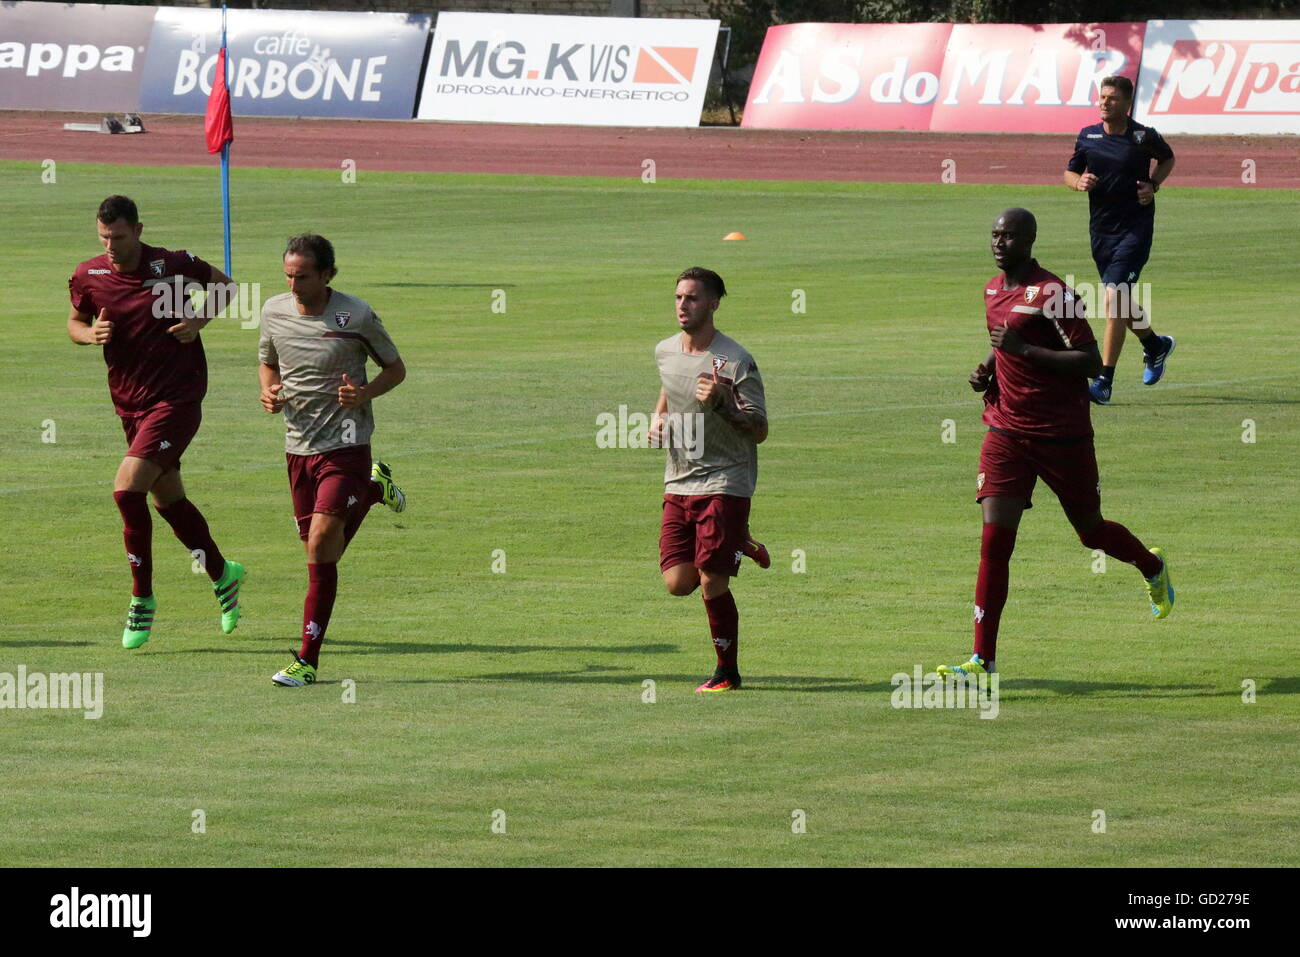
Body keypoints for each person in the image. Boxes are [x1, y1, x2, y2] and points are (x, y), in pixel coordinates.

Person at [938, 209, 1174, 679]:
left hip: (1062, 434)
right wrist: (988, 364)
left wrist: (1023, 352)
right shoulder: (991, 288)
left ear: (1029, 240)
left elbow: (1090, 361)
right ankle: (982, 660)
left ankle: (1151, 565)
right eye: (995, 234)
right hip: (1005, 431)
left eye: (1009, 235)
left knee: (1090, 531)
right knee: (993, 543)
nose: (999, 242)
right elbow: (1005, 337)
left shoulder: (1053, 294)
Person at [67, 195, 244, 649]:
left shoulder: (174, 264)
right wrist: (91, 335)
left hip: (177, 398)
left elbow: (228, 287)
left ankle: (142, 599)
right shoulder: (90, 275)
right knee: (169, 502)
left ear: (139, 231)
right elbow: (75, 321)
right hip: (129, 405)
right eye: (104, 236)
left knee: (127, 490)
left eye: (119, 236)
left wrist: (197, 321)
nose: (110, 245)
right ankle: (224, 574)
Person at [258, 234, 407, 687]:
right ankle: (373, 490)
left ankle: (307, 660)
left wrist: (363, 393)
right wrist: (267, 390)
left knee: (323, 543)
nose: (293, 283)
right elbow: (268, 363)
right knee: (322, 549)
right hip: (298, 446)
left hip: (346, 443)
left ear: (327, 274)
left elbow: (395, 368)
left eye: (302, 276)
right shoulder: (272, 311)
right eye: (287, 274)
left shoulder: (355, 314)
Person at [651, 267, 768, 693]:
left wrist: (723, 405)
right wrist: (659, 417)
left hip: (725, 480)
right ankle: (740, 539)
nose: (684, 305)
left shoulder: (735, 361)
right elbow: (670, 385)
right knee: (677, 583)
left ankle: (727, 673)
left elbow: (759, 429)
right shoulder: (665, 350)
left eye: (694, 298)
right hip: (679, 479)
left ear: (714, 303)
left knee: (710, 579)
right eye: (679, 297)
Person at [1064, 74, 1176, 405]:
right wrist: (1077, 182)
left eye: (1112, 98)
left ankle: (1104, 379)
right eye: (1102, 96)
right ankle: (1155, 345)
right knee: (1120, 302)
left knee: (1113, 298)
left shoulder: (1143, 136)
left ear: (1127, 104)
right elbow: (1069, 171)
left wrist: (1153, 184)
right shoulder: (1088, 136)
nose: (1104, 102)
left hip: (1135, 230)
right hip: (1101, 232)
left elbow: (1167, 158)